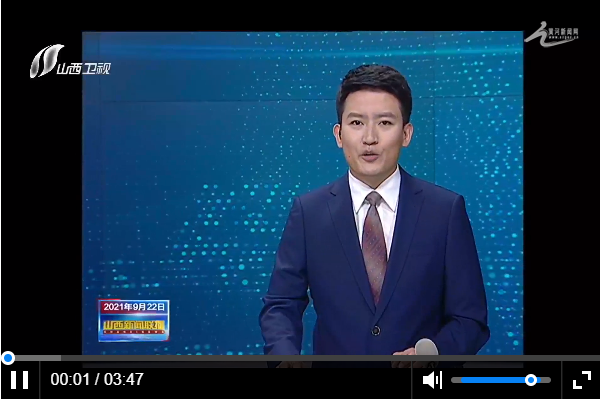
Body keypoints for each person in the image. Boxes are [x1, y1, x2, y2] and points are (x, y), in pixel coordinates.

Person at [259, 64, 490, 366]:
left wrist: (431, 352)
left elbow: (470, 320)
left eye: (384, 123)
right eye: (356, 122)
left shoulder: (445, 211)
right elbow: (281, 305)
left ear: (406, 134)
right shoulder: (309, 213)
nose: (369, 138)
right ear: (339, 134)